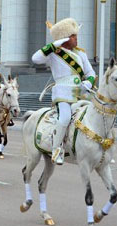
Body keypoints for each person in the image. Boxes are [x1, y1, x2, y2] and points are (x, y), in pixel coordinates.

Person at [31, 18, 96, 165]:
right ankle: (56, 149)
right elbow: (35, 59)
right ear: (65, 38)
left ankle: (100, 148)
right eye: (73, 36)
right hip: (63, 94)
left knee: (98, 114)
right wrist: (54, 45)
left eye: (75, 35)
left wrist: (89, 82)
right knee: (65, 118)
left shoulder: (81, 54)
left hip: (82, 92)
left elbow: (91, 72)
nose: (76, 38)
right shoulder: (54, 53)